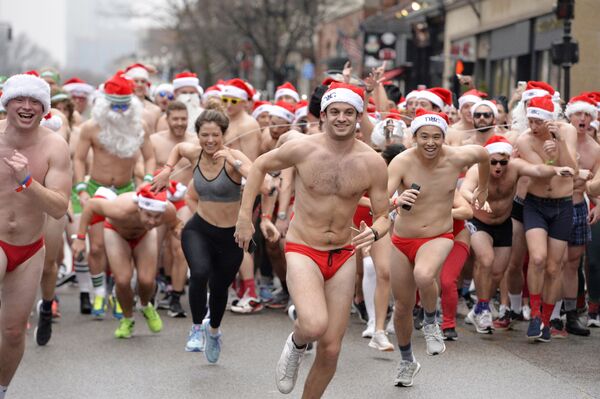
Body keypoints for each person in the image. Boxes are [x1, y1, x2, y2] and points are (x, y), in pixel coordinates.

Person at [235, 82, 390, 397]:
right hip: (304, 247)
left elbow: (384, 215)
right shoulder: (304, 148)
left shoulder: (372, 162)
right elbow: (261, 166)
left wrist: (374, 231)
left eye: (349, 112)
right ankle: (296, 343)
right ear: (324, 114)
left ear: (359, 116)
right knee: (314, 324)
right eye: (335, 112)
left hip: (344, 252)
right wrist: (244, 218)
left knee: (331, 349)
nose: (342, 118)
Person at [386, 108, 489, 387]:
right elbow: (380, 201)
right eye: (424, 137)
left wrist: (484, 188)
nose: (430, 142)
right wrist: (396, 201)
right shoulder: (401, 162)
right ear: (414, 137)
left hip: (438, 236)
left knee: (424, 275)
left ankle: (432, 321)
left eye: (436, 137)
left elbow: (483, 155)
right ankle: (407, 360)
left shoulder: (456, 158)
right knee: (402, 307)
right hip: (401, 240)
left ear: (444, 136)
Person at [153, 109, 257, 363]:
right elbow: (178, 148)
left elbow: (260, 181)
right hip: (199, 229)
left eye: (215, 136)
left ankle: (213, 331)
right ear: (197, 135)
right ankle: (197, 328)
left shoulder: (235, 156)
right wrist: (167, 169)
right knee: (199, 273)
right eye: (204, 135)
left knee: (220, 288)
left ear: (224, 135)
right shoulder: (194, 152)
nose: (209, 141)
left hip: (230, 236)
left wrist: (234, 163)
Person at [0, 73, 71, 398]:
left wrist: (27, 181)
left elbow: (58, 208)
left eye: (35, 102)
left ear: (44, 109)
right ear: (7, 103)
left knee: (14, 333)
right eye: (20, 100)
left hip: (29, 248)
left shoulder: (54, 146)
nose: (27, 107)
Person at [461, 135, 575, 333]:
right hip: (479, 222)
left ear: (508, 159)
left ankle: (481, 305)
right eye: (493, 162)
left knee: (497, 272)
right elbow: (464, 189)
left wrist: (556, 169)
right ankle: (483, 308)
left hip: (503, 223)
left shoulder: (514, 168)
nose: (498, 166)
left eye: (502, 162)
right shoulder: (477, 170)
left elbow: (537, 169)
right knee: (485, 260)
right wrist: (475, 199)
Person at [74, 72, 156, 318]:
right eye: (114, 105)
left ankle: (121, 295)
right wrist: (80, 188)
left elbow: (150, 157)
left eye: (124, 105)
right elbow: (78, 158)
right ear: (104, 103)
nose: (119, 110)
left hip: (126, 191)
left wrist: (149, 181)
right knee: (97, 247)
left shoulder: (139, 126)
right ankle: (99, 293)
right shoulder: (91, 127)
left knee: (123, 246)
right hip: (95, 189)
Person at [72, 186, 178, 338]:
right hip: (116, 233)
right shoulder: (120, 209)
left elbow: (176, 225)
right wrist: (80, 239)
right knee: (122, 280)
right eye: (148, 215)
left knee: (146, 281)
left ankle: (144, 305)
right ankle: (128, 319)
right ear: (140, 209)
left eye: (157, 217)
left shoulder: (168, 210)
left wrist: (180, 232)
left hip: (144, 235)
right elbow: (90, 206)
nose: (152, 221)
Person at [515, 94, 578, 342]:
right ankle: (534, 313)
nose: (533, 126)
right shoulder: (524, 139)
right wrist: (551, 159)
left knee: (555, 266)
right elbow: (542, 173)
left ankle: (547, 318)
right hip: (536, 204)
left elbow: (571, 169)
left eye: (538, 122)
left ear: (550, 121)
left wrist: (560, 144)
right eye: (530, 120)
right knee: (538, 258)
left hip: (563, 205)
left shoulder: (567, 131)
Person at [151, 100, 197, 317]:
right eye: (175, 119)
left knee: (179, 246)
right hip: (159, 198)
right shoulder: (154, 141)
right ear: (167, 119)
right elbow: (143, 171)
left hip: (184, 200)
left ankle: (176, 297)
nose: (179, 123)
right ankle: (150, 291)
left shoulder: (195, 142)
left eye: (183, 119)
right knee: (154, 247)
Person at [560, 94, 600, 336]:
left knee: (573, 264)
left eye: (587, 115)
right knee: (554, 263)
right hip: (555, 205)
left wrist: (598, 206)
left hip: (578, 206)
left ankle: (571, 315)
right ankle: (551, 315)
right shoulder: (559, 137)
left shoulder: (596, 149)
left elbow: (596, 184)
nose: (582, 119)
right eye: (578, 114)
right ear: (570, 116)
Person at [124, 63, 162, 132]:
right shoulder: (122, 107)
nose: (140, 85)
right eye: (136, 81)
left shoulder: (156, 109)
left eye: (143, 81)